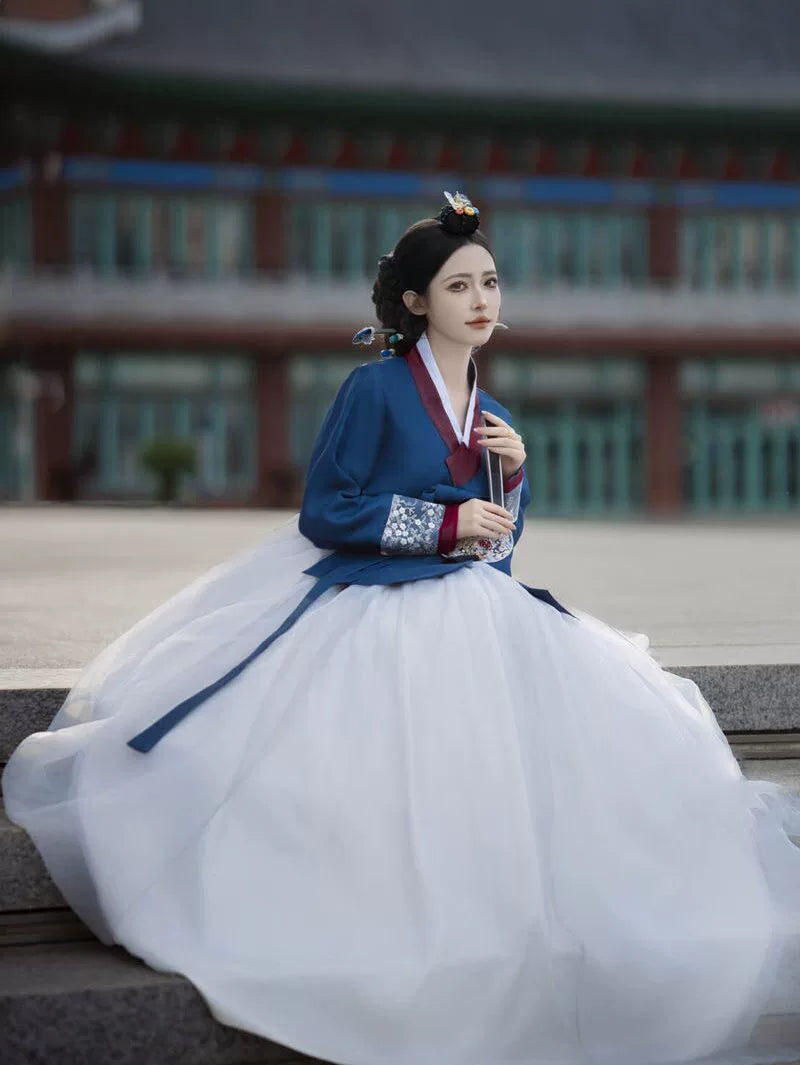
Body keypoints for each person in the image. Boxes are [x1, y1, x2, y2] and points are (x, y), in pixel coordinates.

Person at [4, 192, 800, 1065]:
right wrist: (444, 525)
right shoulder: (374, 387)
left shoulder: (484, 405)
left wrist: (512, 482)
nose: (482, 300)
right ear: (418, 302)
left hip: (473, 609)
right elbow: (326, 509)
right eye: (460, 286)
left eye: (491, 282)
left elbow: (496, 547)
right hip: (377, 602)